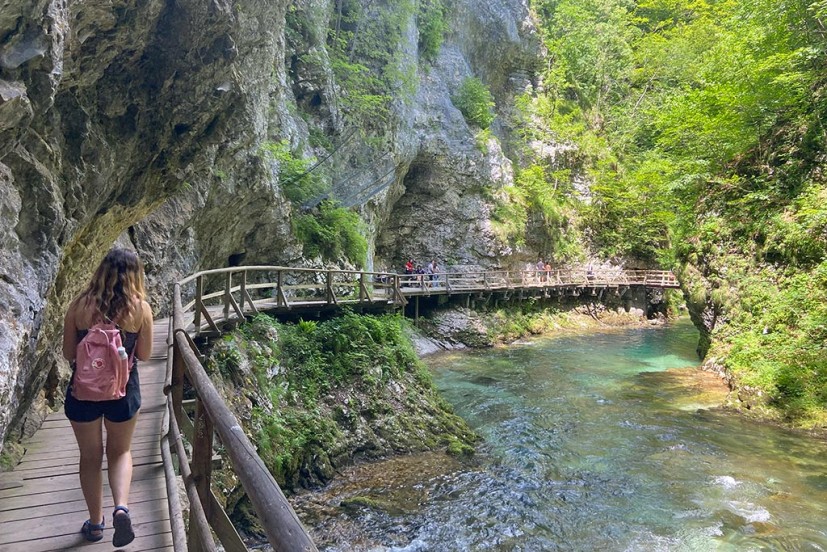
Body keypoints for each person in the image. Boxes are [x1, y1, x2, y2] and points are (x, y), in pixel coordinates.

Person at [62, 248, 153, 546]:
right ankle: (121, 508)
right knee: (120, 452)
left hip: (83, 392)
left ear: (100, 272)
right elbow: (145, 354)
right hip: (123, 392)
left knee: (90, 457)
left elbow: (67, 353)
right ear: (135, 275)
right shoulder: (140, 309)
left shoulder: (78, 306)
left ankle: (96, 523)